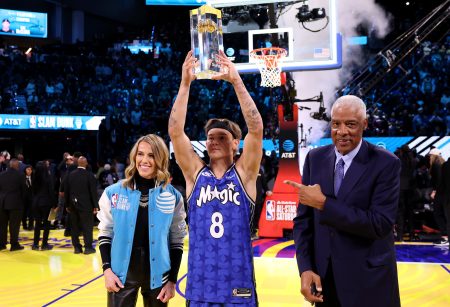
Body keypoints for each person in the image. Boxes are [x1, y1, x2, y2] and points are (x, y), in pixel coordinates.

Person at [284, 95, 401, 307]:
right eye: (336, 124)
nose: (342, 131)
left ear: (365, 124)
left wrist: (324, 204)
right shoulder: (315, 158)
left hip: (369, 283)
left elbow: (379, 224)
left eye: (351, 124)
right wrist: (306, 268)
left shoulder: (386, 163)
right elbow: (303, 222)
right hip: (324, 282)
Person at [168, 50, 263, 306]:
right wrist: (185, 83)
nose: (213, 141)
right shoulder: (195, 174)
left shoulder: (244, 174)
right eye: (210, 138)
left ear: (235, 144)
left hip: (238, 285)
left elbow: (256, 129)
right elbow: (176, 132)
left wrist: (236, 81)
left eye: (221, 137)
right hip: (200, 285)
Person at [97, 134, 187, 307]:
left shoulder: (173, 196)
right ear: (134, 156)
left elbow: (177, 241)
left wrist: (172, 281)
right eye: (140, 154)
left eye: (151, 155)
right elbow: (105, 233)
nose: (144, 160)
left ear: (160, 159)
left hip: (160, 277)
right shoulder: (113, 192)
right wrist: (107, 270)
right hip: (120, 275)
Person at [64, 156, 98, 254]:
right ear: (86, 164)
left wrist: (67, 205)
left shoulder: (70, 175)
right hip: (87, 206)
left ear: (78, 164)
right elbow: (93, 192)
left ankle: (77, 248)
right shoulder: (90, 175)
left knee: (74, 227)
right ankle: (88, 248)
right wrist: (95, 205)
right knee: (87, 227)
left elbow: (66, 191)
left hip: (72, 205)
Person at [0, 159, 26, 251]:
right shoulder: (20, 175)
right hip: (15, 203)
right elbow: (24, 190)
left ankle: (1, 244)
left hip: (2, 203)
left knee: (2, 225)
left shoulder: (1, 174)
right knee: (14, 225)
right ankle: (14, 244)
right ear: (16, 166)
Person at [31, 161, 58, 251]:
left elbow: (33, 191)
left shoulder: (34, 178)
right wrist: (55, 204)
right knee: (47, 224)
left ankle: (35, 244)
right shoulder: (48, 178)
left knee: (37, 224)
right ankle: (44, 244)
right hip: (46, 203)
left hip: (36, 203)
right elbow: (51, 191)